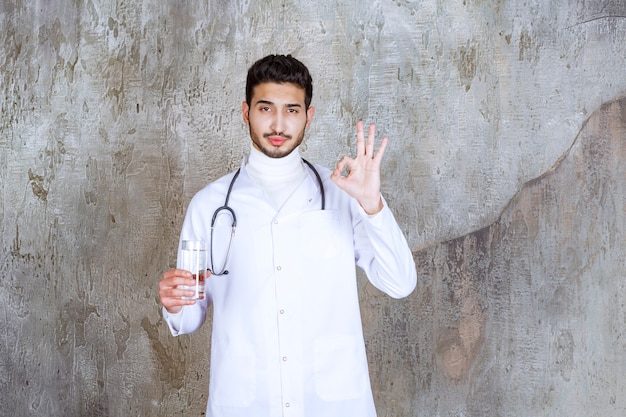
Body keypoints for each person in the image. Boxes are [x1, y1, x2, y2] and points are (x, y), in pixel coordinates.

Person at [158, 54, 417, 417]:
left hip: (332, 403)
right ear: (246, 112)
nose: (278, 123)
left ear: (308, 117)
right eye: (266, 108)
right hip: (246, 403)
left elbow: (401, 282)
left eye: (292, 110)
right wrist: (174, 303)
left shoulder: (345, 195)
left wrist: (372, 205)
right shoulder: (210, 206)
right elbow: (187, 319)